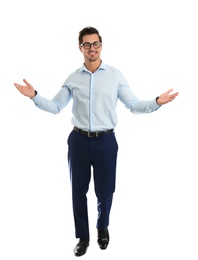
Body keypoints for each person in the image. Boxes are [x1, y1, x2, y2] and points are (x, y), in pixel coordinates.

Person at [14, 26, 179, 257]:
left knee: (105, 191)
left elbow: (133, 105)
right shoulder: (73, 78)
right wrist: (35, 96)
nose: (92, 48)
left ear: (101, 45)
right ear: (80, 47)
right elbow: (56, 106)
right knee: (77, 191)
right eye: (87, 45)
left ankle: (102, 228)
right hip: (79, 141)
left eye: (96, 44)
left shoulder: (115, 75)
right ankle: (83, 237)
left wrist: (157, 101)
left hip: (106, 141)